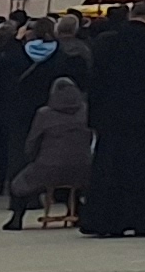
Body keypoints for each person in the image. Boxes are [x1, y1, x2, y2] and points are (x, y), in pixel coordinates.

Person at [79, 12, 145, 235]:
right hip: (144, 116)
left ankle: (105, 220)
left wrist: (94, 117)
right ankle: (143, 219)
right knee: (142, 168)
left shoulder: (109, 41)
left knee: (109, 166)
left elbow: (95, 79)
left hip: (111, 116)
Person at [6, 73, 93, 227]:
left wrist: (32, 158)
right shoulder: (85, 110)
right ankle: (78, 211)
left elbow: (31, 143)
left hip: (49, 166)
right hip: (83, 167)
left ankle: (17, 218)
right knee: (70, 181)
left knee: (20, 184)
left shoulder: (44, 114)